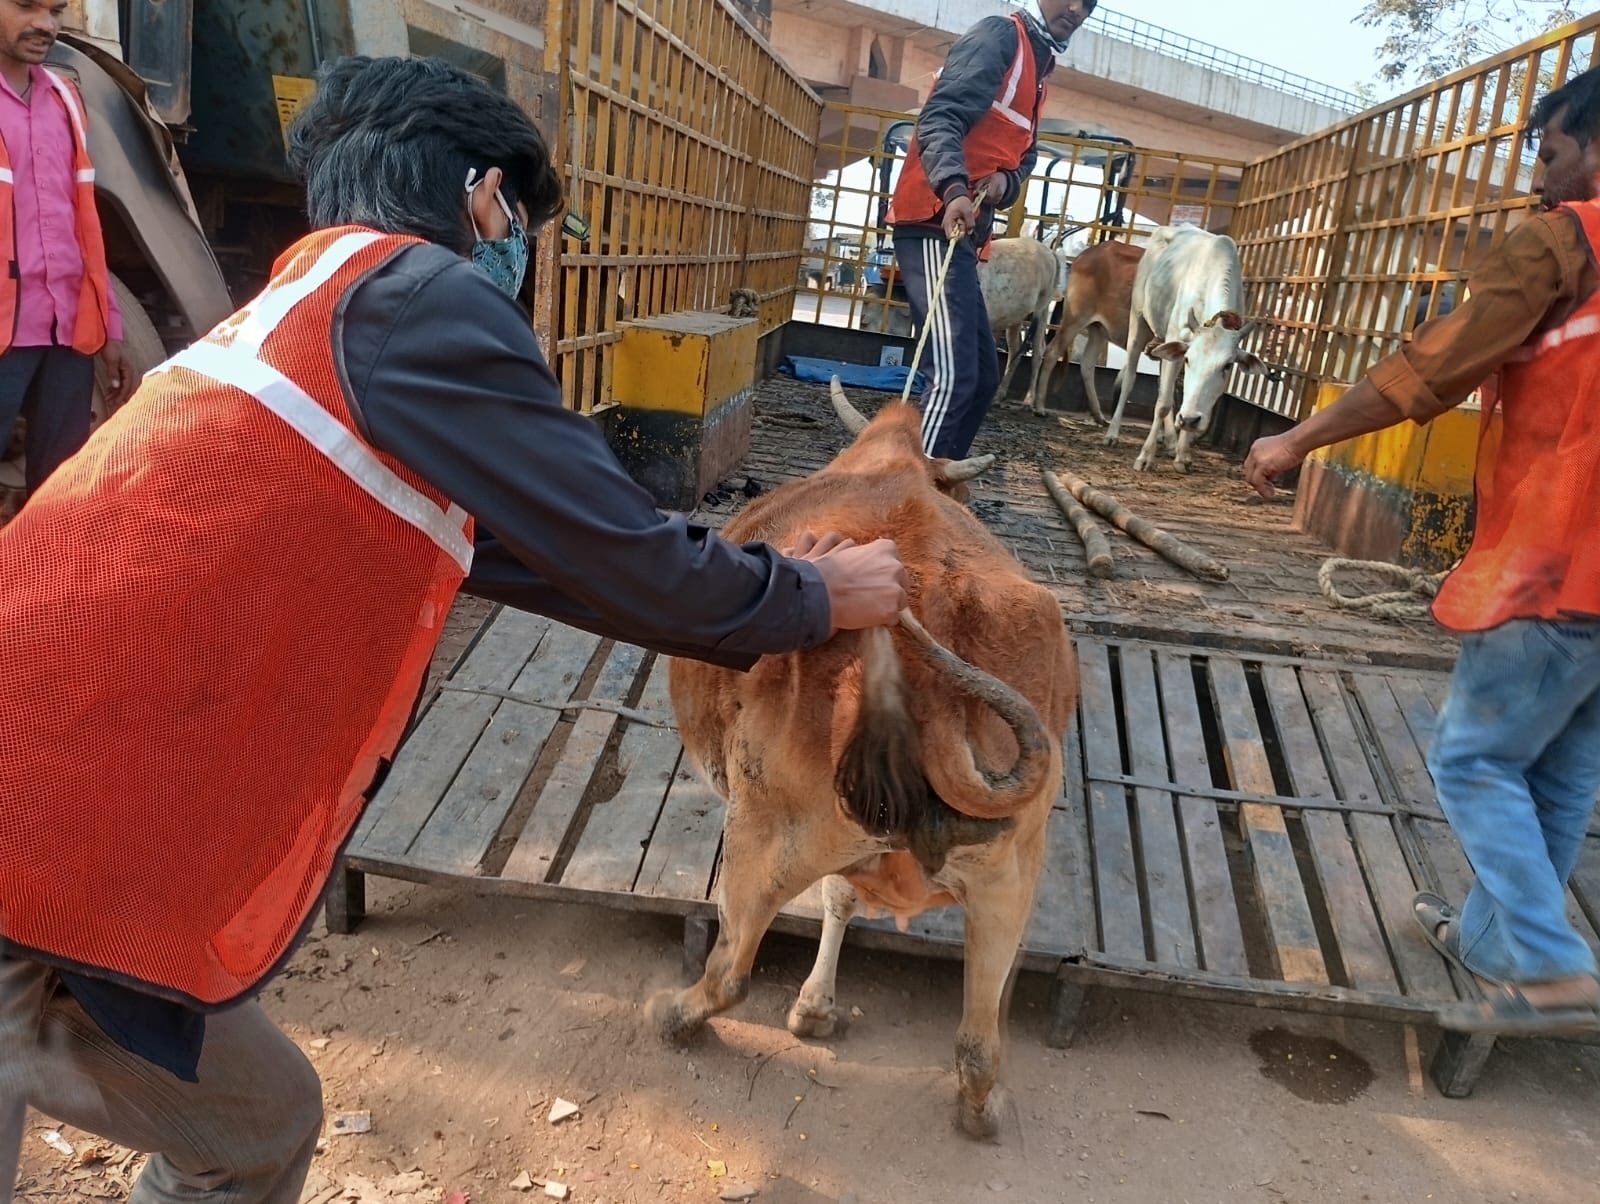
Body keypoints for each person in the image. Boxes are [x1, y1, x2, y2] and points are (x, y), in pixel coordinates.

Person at [0, 54, 909, 1202]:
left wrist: (773, 582)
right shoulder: (418, 298)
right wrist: (823, 601)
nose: (518, 253)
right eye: (521, 222)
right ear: (481, 197)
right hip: (33, 826)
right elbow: (630, 558)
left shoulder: (311, 311)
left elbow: (551, 554)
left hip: (77, 844)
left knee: (260, 1123)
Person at [1244, 67, 1600, 1037]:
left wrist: (1295, 437)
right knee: (1561, 775)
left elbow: (1430, 369)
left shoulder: (1561, 240)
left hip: (1553, 566)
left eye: (1551, 150)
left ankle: (1555, 964)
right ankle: (1497, 947)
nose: (1537, 171)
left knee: (1471, 761)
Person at [886, 0, 1093, 460]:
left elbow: (1025, 156)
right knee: (955, 374)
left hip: (964, 234)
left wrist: (1006, 179)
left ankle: (937, 486)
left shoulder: (1038, 69)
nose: (1079, 9)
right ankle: (908, 495)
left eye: (1091, 4)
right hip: (932, 221)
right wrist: (955, 188)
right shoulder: (1000, 37)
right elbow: (941, 117)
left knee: (981, 378)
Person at [0, 0, 132, 499]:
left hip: (66, 335)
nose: (45, 24)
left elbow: (83, 225)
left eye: (55, 10)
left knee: (57, 499)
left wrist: (109, 323)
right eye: (26, 6)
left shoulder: (65, 101)